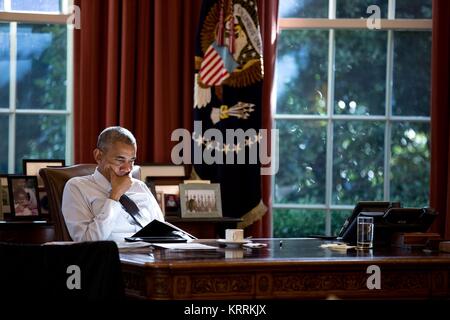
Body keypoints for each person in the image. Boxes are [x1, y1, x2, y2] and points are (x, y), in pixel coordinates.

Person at [62, 126, 164, 242]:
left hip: (150, 255)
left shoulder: (140, 187)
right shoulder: (76, 187)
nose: (127, 169)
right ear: (98, 156)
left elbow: (163, 233)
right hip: (110, 257)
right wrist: (114, 196)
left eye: (131, 161)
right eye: (120, 160)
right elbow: (87, 242)